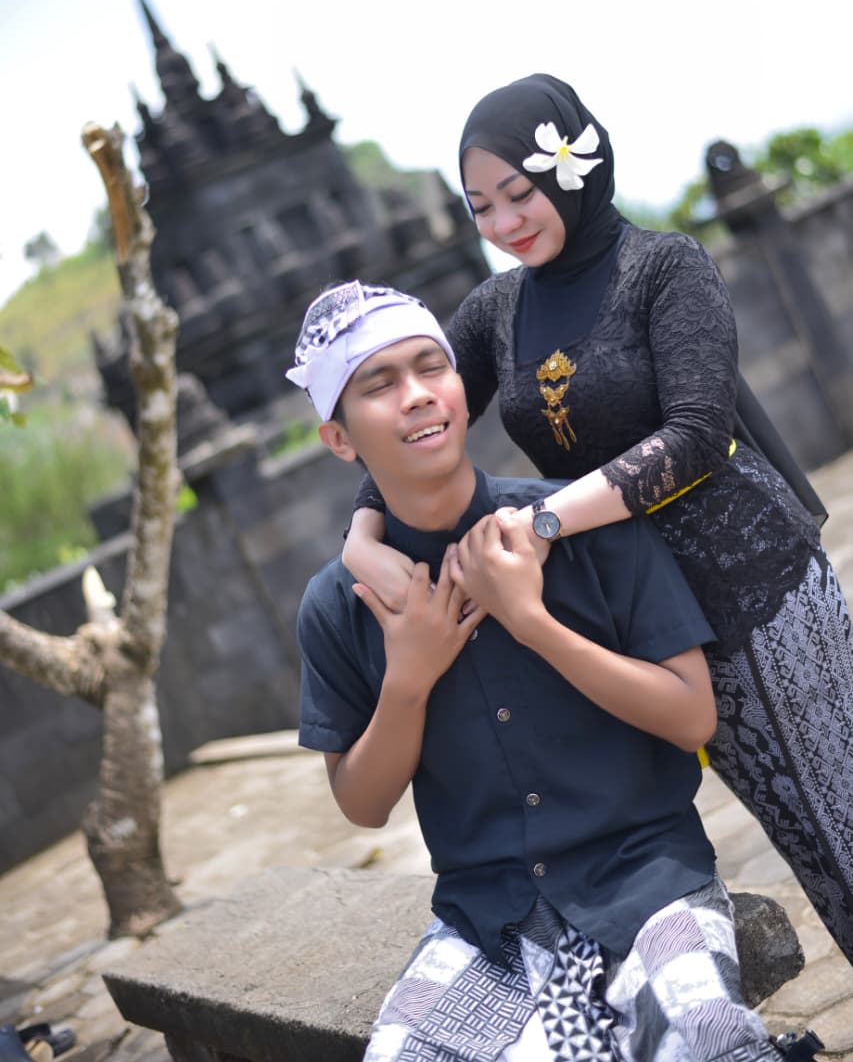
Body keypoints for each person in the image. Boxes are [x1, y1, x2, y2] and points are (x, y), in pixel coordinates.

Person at [342, 74, 853, 966]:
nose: (504, 223)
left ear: (570, 169)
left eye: (518, 193)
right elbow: (419, 416)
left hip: (754, 581)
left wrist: (539, 524)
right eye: (480, 208)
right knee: (795, 828)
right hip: (647, 611)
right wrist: (362, 535)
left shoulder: (665, 266)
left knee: (839, 805)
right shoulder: (497, 311)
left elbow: (695, 436)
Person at [286, 279, 795, 1062]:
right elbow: (362, 803)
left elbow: (690, 716)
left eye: (431, 367)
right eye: (378, 384)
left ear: (463, 390)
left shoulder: (585, 528)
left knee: (703, 1038)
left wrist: (530, 622)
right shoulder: (338, 604)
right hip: (486, 925)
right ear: (339, 438)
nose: (416, 395)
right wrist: (409, 677)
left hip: (647, 886)